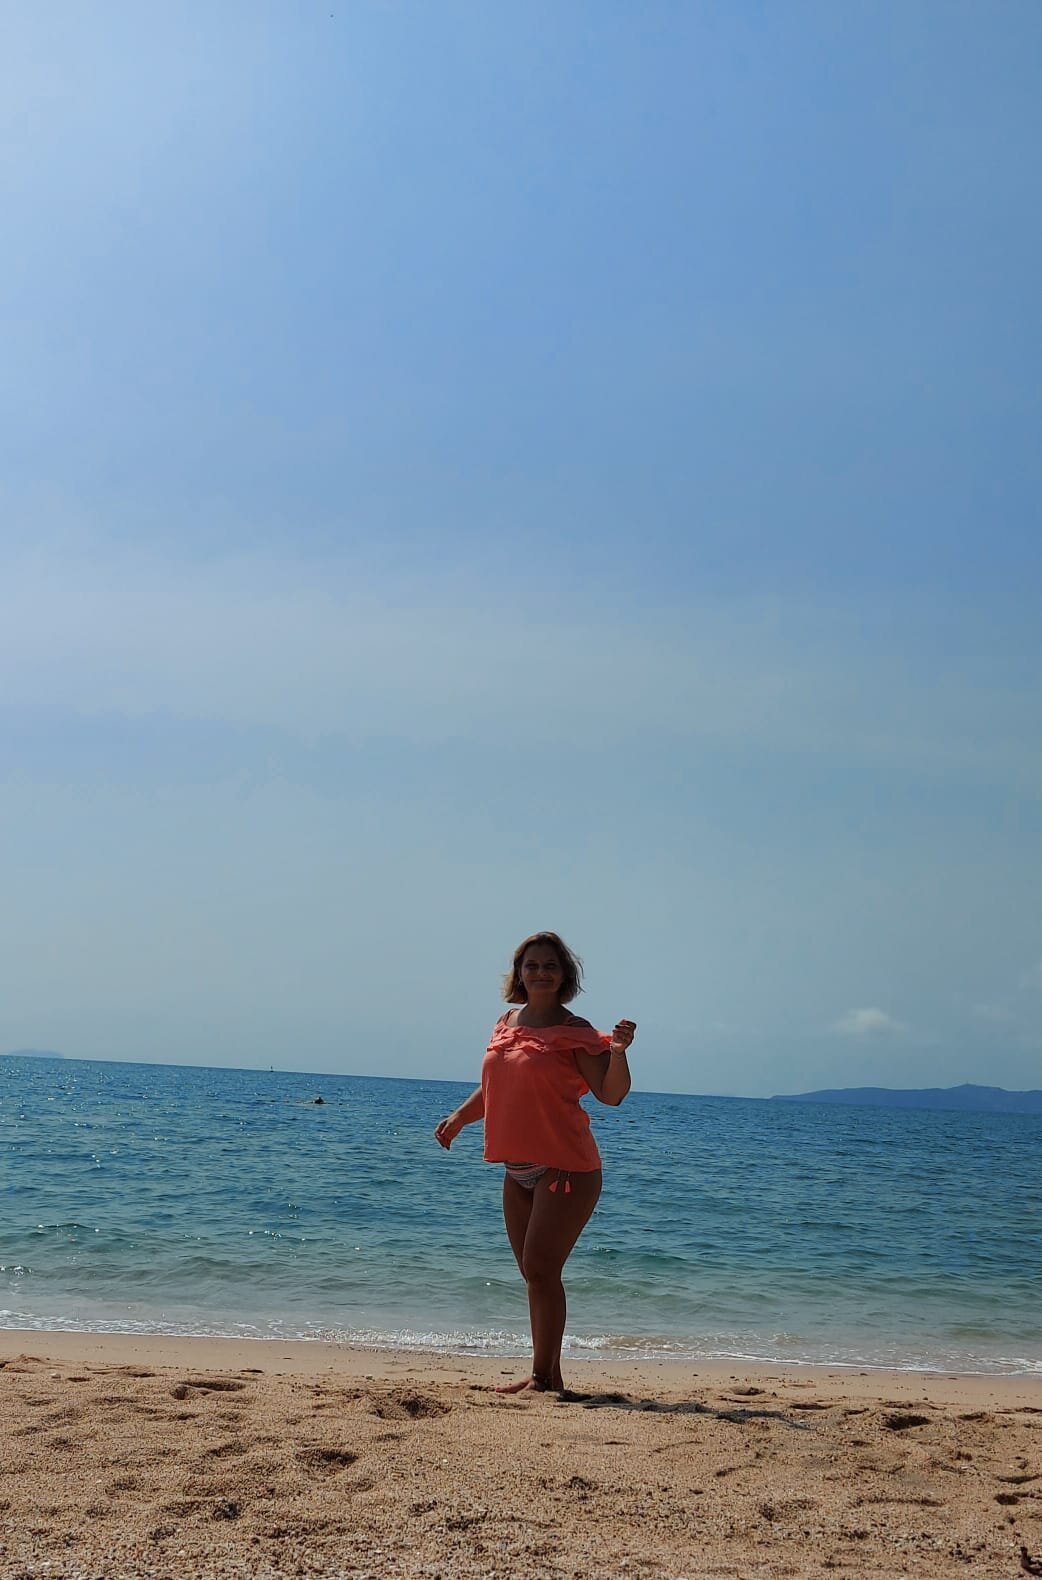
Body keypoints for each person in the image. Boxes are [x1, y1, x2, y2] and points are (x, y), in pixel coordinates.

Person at [434, 931, 636, 1393]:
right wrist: (460, 1118)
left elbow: (611, 1094)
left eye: (550, 965)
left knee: (542, 1270)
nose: (540, 972)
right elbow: (497, 1086)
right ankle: (548, 1375)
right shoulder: (506, 1023)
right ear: (519, 974)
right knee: (534, 1275)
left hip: (567, 1167)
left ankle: (543, 1379)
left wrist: (618, 1054)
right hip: (516, 1168)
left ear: (564, 975)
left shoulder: (575, 1031)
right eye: (531, 965)